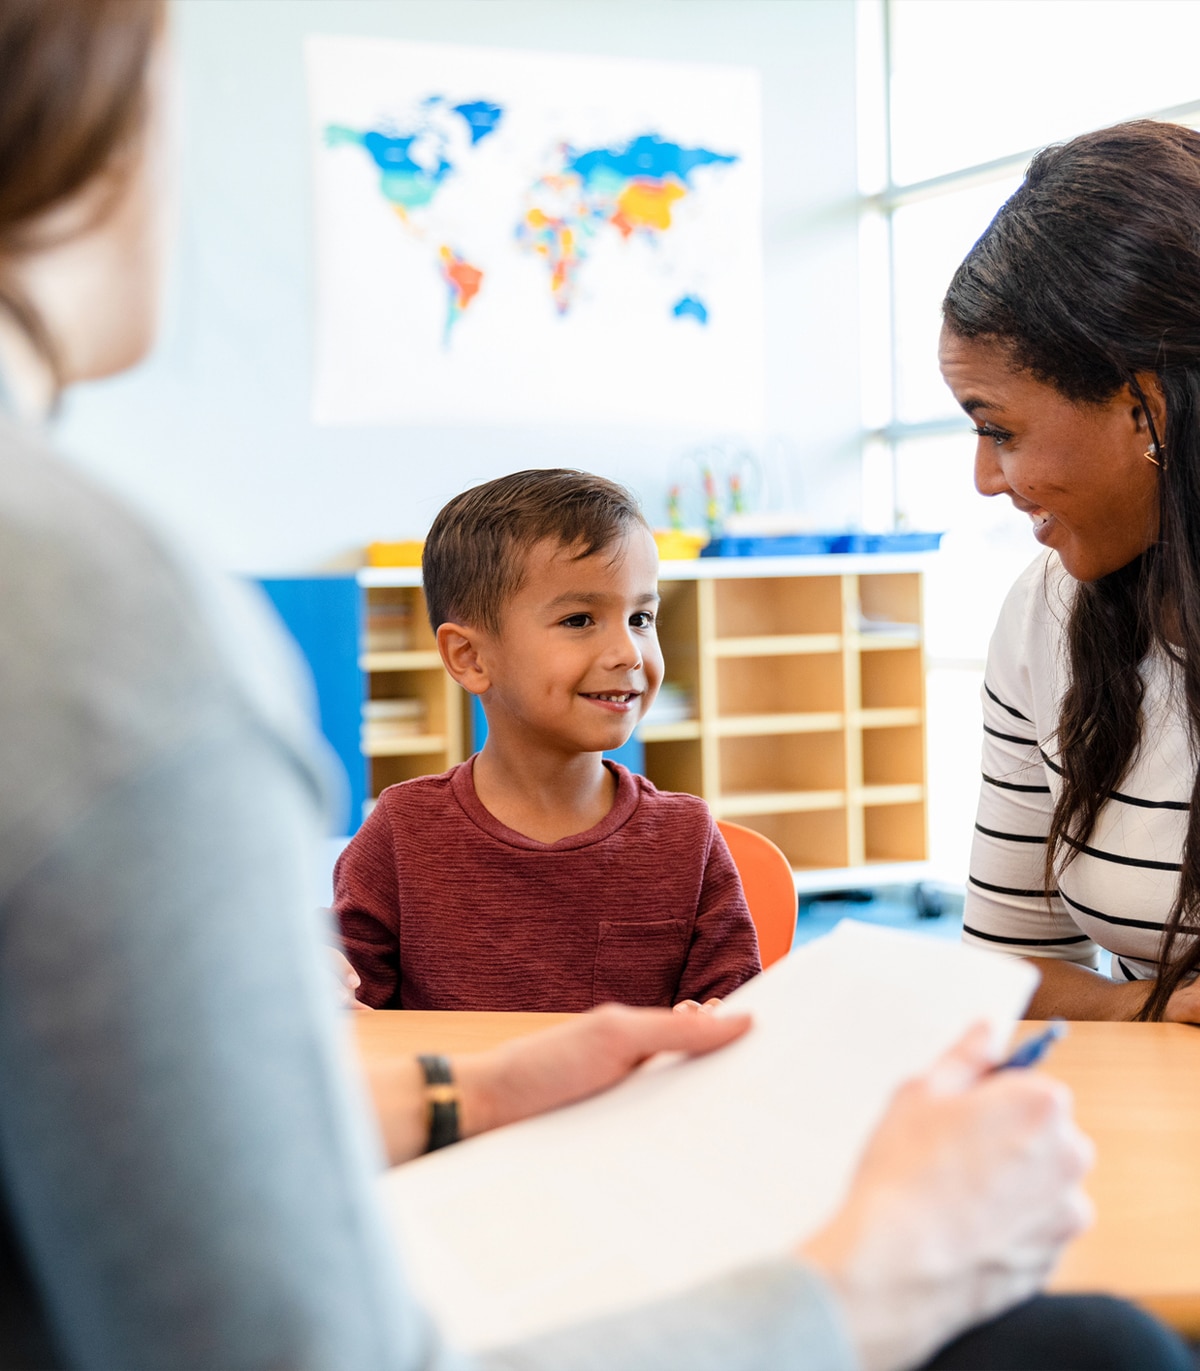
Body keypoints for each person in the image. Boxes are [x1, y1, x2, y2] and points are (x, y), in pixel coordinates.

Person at [0, 5, 1190, 1369]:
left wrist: (468, 1095)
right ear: (95, 129)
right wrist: (865, 1288)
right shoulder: (104, 632)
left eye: (639, 612)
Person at [941, 119, 1200, 1023]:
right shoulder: (1044, 614)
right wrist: (1153, 1014)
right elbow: (1008, 971)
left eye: (999, 428)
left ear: (1145, 409)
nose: (985, 479)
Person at [334, 469, 761, 1011]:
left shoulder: (684, 838)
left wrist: (716, 1018)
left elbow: (735, 1010)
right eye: (581, 619)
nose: (628, 652)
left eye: (640, 617)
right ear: (470, 657)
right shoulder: (404, 830)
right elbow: (345, 1009)